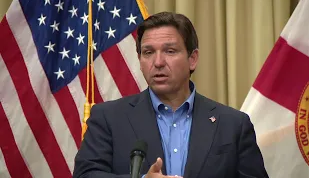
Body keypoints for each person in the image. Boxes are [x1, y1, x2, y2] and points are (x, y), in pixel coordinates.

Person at [73, 11, 269, 178]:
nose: (158, 62)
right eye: (148, 52)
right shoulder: (108, 118)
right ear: (140, 60)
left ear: (192, 59)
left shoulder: (233, 124)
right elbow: (86, 175)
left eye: (170, 51)